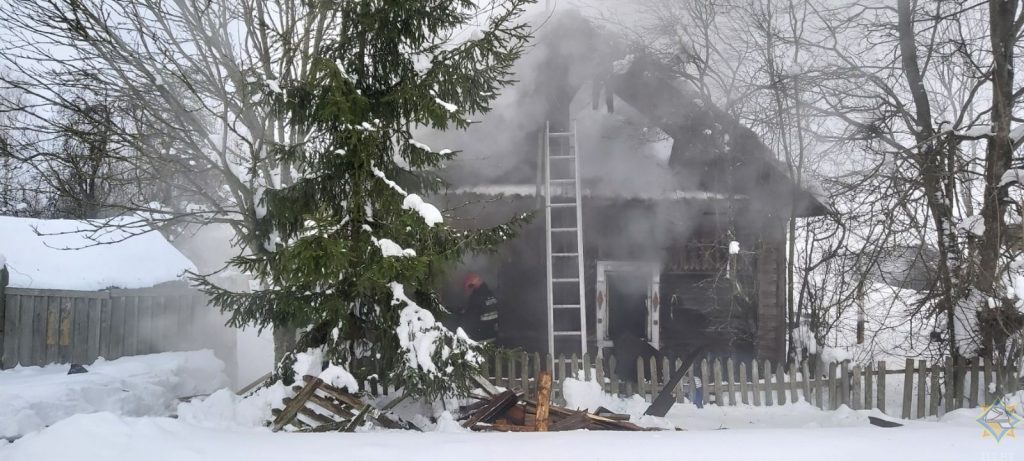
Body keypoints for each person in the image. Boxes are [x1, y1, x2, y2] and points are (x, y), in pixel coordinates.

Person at [461, 272, 498, 344]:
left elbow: (471, 319)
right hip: (492, 337)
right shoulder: (490, 294)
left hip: (479, 339)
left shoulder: (477, 298)